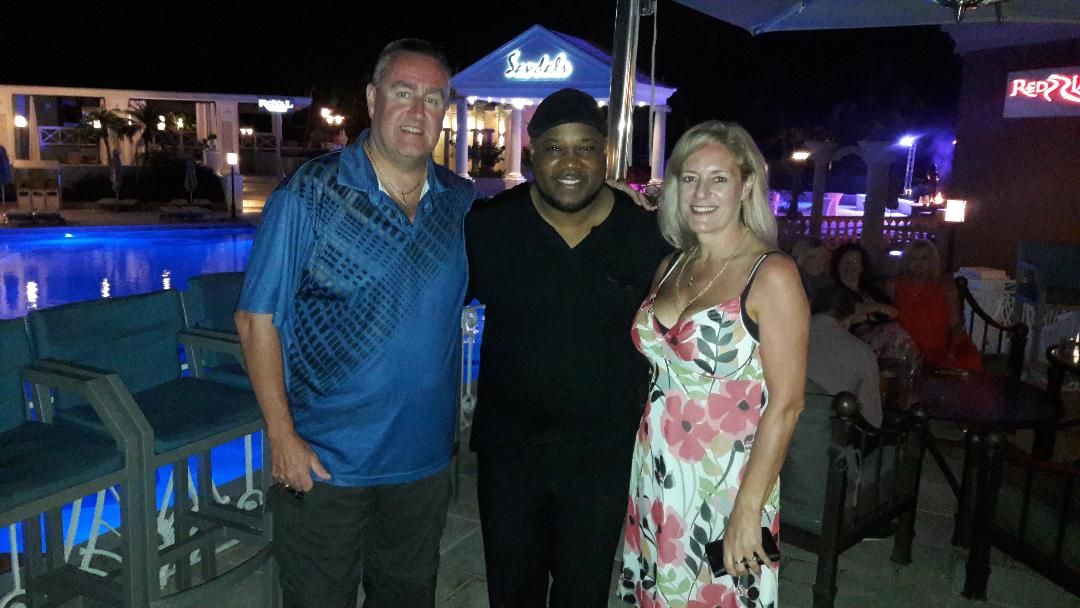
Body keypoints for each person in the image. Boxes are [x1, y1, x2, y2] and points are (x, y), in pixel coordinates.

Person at [234, 39, 473, 608]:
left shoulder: (460, 202)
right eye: (403, 92)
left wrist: (612, 202)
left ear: (445, 110)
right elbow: (255, 320)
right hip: (327, 461)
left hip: (422, 460)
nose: (417, 111)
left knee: (407, 596)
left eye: (433, 98)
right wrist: (282, 437)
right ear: (372, 98)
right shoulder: (310, 194)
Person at [466, 87, 671, 608]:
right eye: (555, 147)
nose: (571, 162)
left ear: (606, 154)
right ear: (532, 153)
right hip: (510, 456)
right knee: (512, 593)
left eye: (585, 147)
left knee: (583, 594)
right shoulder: (489, 229)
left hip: (602, 458)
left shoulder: (647, 235)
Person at [621, 121, 808, 607]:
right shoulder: (672, 265)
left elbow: (787, 404)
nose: (701, 193)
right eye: (689, 178)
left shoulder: (773, 274)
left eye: (718, 179)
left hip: (726, 483)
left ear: (746, 186)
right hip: (657, 472)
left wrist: (749, 508)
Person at [891, 239, 982, 370]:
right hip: (905, 345)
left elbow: (954, 325)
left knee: (968, 360)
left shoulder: (946, 287)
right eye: (914, 258)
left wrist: (951, 349)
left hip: (938, 345)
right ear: (906, 261)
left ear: (932, 262)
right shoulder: (893, 286)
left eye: (924, 258)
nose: (918, 263)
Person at [807, 286, 883, 427]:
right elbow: (872, 418)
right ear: (849, 318)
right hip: (828, 433)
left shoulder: (785, 338)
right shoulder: (861, 352)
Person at [830, 242, 914, 359]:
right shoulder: (834, 290)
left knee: (898, 335)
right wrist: (877, 309)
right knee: (894, 331)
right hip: (853, 341)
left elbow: (893, 312)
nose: (850, 267)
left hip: (883, 339)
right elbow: (845, 312)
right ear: (838, 265)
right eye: (846, 262)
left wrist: (865, 315)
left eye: (855, 262)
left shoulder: (872, 289)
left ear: (862, 266)